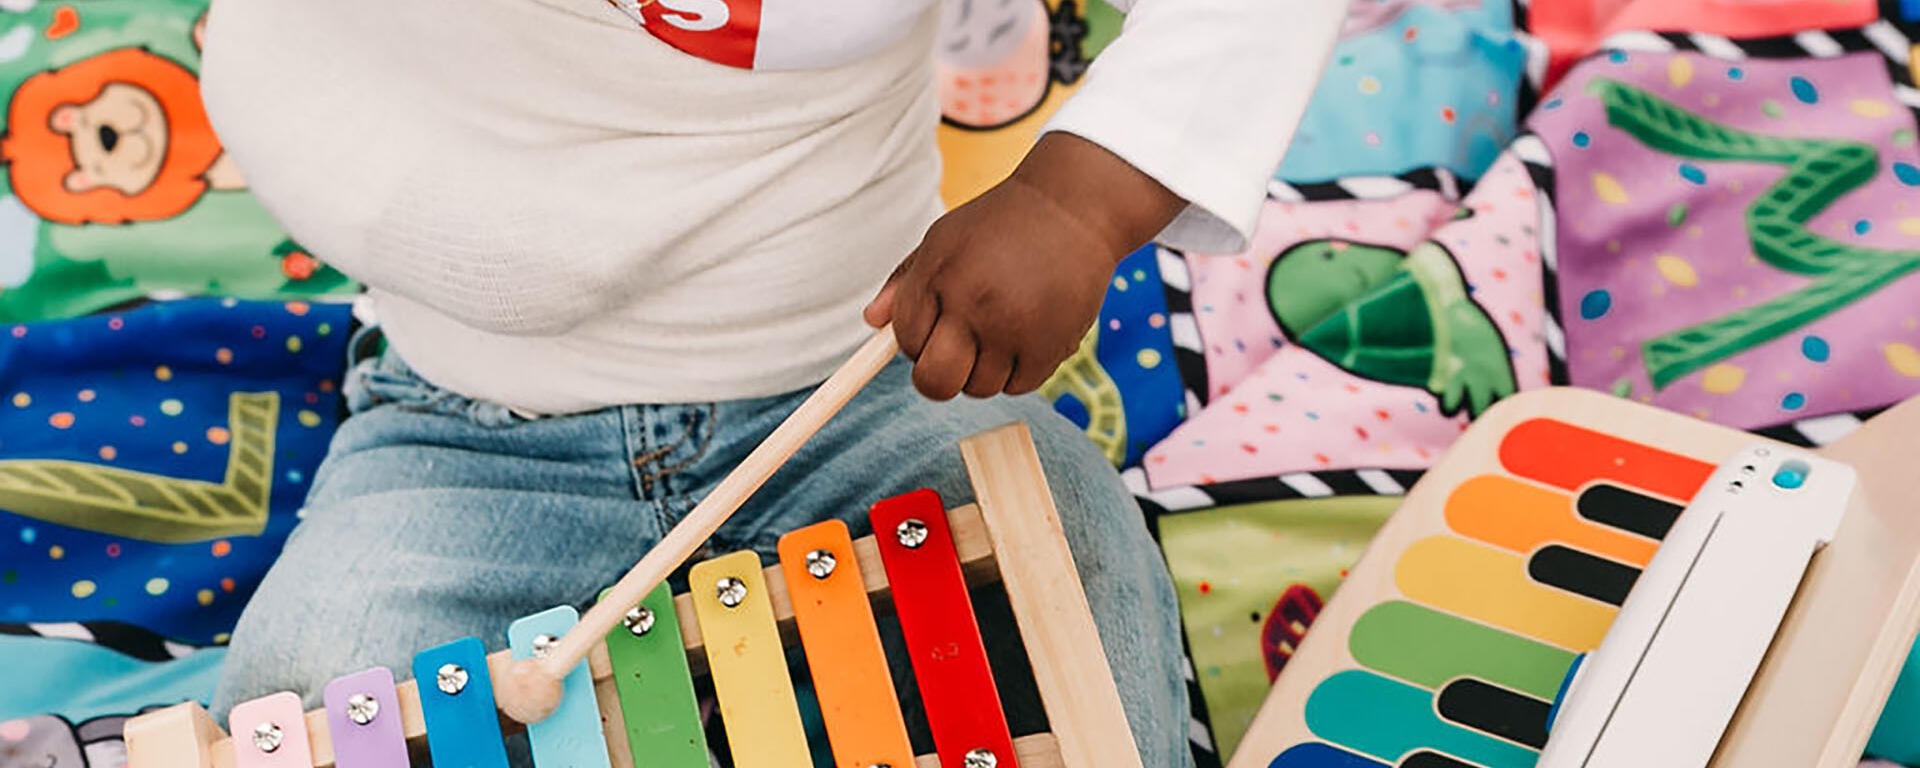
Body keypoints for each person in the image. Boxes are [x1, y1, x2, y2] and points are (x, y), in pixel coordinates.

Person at [197, 0, 1345, 764]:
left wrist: (1083, 199)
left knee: (1072, 553)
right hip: (462, 435)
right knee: (309, 701)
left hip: (864, 384)